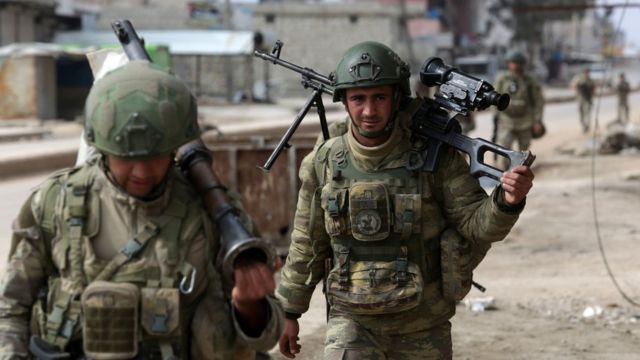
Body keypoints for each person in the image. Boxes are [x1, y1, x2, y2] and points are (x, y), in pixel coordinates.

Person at [0, 61, 283, 359]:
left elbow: (266, 336)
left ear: (176, 146)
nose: (141, 172)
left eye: (156, 156)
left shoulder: (216, 214)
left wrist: (250, 306)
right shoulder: (54, 203)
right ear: (101, 146)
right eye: (126, 158)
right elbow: (11, 309)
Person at [276, 41, 534, 359]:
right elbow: (307, 243)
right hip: (352, 320)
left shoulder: (434, 155)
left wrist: (507, 200)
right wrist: (289, 312)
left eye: (379, 98)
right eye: (358, 98)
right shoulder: (325, 161)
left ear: (398, 98)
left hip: (423, 324)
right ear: (343, 101)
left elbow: (476, 225)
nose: (369, 111)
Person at [494, 49, 544, 170]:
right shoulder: (502, 79)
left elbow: (538, 101)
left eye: (517, 62)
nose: (515, 65)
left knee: (523, 153)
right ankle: (502, 174)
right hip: (507, 120)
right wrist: (496, 115)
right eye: (512, 62)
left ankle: (519, 175)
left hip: (525, 121)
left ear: (522, 64)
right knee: (504, 149)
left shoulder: (530, 80)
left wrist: (537, 121)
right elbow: (494, 97)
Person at [571, 66, 595, 133]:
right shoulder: (578, 79)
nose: (587, 73)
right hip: (580, 100)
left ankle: (586, 126)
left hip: (587, 100)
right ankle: (583, 125)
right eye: (585, 72)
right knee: (581, 114)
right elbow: (573, 85)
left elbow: (593, 90)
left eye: (588, 72)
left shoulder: (590, 80)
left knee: (587, 114)